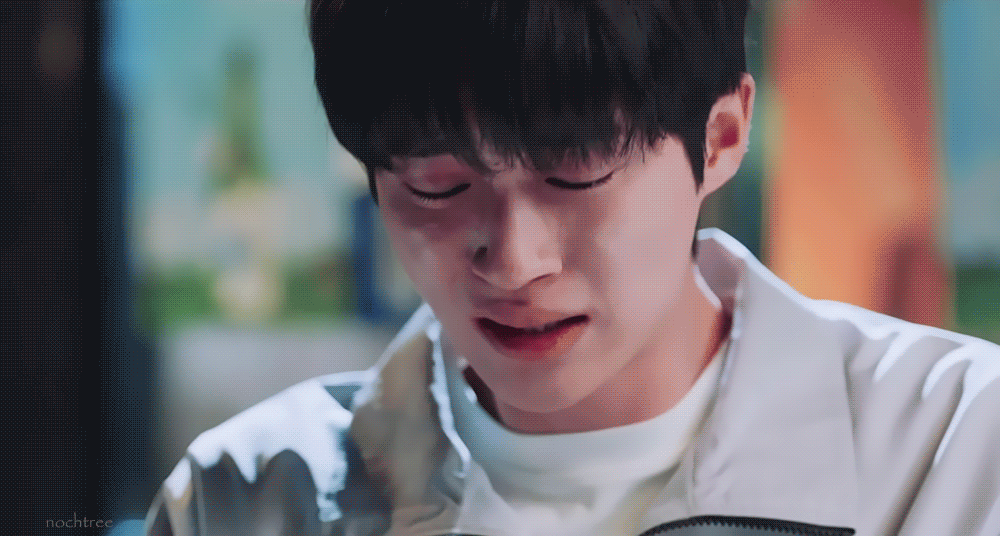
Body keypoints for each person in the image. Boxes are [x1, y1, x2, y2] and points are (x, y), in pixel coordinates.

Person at [144, 1, 1000, 535]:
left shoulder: (955, 451)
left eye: (576, 174)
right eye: (438, 185)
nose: (515, 262)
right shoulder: (247, 500)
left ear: (720, 138)